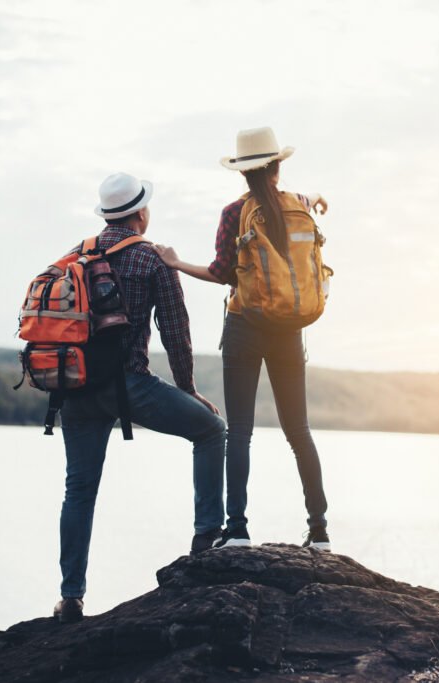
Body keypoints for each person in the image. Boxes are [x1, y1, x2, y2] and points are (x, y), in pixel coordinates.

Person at [53, 172, 227, 624]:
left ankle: (71, 597)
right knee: (212, 430)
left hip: (75, 390)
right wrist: (188, 388)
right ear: (140, 214)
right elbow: (175, 332)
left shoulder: (80, 252)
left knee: (79, 491)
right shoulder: (150, 259)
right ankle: (207, 537)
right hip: (129, 386)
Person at [154, 127, 331, 552]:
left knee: (240, 431)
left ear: (243, 172)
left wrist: (176, 262)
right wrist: (316, 196)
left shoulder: (235, 213)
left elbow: (220, 273)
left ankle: (237, 530)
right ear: (278, 166)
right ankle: (320, 531)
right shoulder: (300, 206)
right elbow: (307, 201)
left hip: (245, 325)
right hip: (290, 328)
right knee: (299, 431)